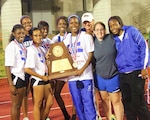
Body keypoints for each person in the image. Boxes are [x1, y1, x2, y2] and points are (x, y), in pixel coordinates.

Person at [108, 16, 150, 120]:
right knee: (127, 102)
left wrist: (144, 67)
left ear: (120, 23)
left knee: (138, 102)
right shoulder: (113, 39)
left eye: (115, 24)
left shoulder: (131, 31)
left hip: (136, 72)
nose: (113, 27)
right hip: (123, 74)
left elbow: (143, 46)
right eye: (110, 26)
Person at [63, 14, 97, 120]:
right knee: (77, 103)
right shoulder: (66, 39)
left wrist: (82, 70)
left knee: (88, 102)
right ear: (68, 25)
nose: (74, 25)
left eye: (76, 22)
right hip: (72, 77)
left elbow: (90, 55)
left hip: (86, 75)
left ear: (79, 24)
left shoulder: (86, 36)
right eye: (71, 23)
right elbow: (61, 56)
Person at [93, 21, 124, 120]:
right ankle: (109, 117)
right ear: (94, 31)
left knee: (116, 101)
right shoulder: (92, 42)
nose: (99, 32)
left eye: (101, 29)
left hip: (113, 75)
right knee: (105, 100)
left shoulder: (111, 39)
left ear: (105, 30)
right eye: (97, 30)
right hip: (99, 76)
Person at [24, 27, 53, 120]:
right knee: (38, 103)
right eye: (36, 36)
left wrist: (47, 58)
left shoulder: (41, 48)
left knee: (50, 102)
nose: (38, 37)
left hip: (45, 78)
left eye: (40, 35)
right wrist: (41, 76)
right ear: (31, 37)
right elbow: (27, 69)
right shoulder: (31, 50)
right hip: (38, 79)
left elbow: (43, 62)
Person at [5, 24, 27, 120]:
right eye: (18, 33)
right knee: (16, 105)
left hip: (23, 76)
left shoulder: (21, 45)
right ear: (13, 34)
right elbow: (7, 66)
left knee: (19, 104)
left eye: (23, 33)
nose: (21, 35)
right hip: (17, 77)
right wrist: (11, 84)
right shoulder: (11, 47)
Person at [52, 16, 71, 120]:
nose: (62, 26)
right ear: (57, 26)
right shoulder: (54, 39)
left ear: (67, 25)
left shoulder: (70, 37)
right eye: (60, 24)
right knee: (56, 93)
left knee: (74, 93)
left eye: (64, 24)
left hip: (71, 69)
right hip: (60, 69)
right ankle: (65, 114)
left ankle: (73, 114)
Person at [20, 15, 33, 120]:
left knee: (37, 93)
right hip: (25, 69)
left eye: (29, 22)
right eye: (24, 23)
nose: (27, 24)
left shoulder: (34, 35)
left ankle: (41, 114)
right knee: (25, 94)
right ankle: (25, 116)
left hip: (35, 68)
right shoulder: (20, 38)